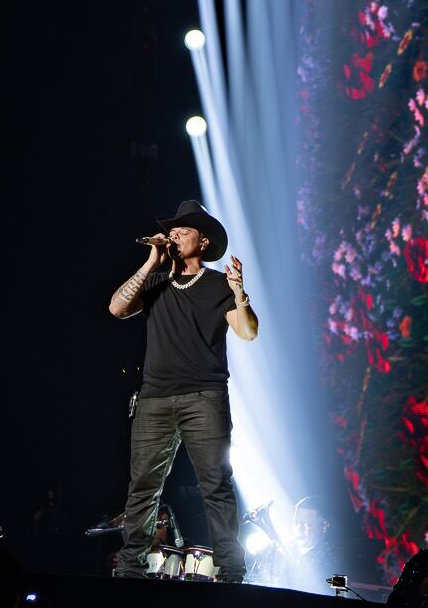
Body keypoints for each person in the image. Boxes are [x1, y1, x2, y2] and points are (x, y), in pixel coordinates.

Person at [105, 199, 258, 582]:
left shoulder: (218, 286)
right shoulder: (154, 283)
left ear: (202, 242)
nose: (173, 237)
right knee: (143, 488)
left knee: (215, 485)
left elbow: (248, 332)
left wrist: (240, 292)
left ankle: (231, 570)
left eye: (182, 232)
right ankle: (130, 569)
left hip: (203, 397)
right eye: (170, 232)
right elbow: (116, 309)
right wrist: (150, 262)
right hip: (154, 398)